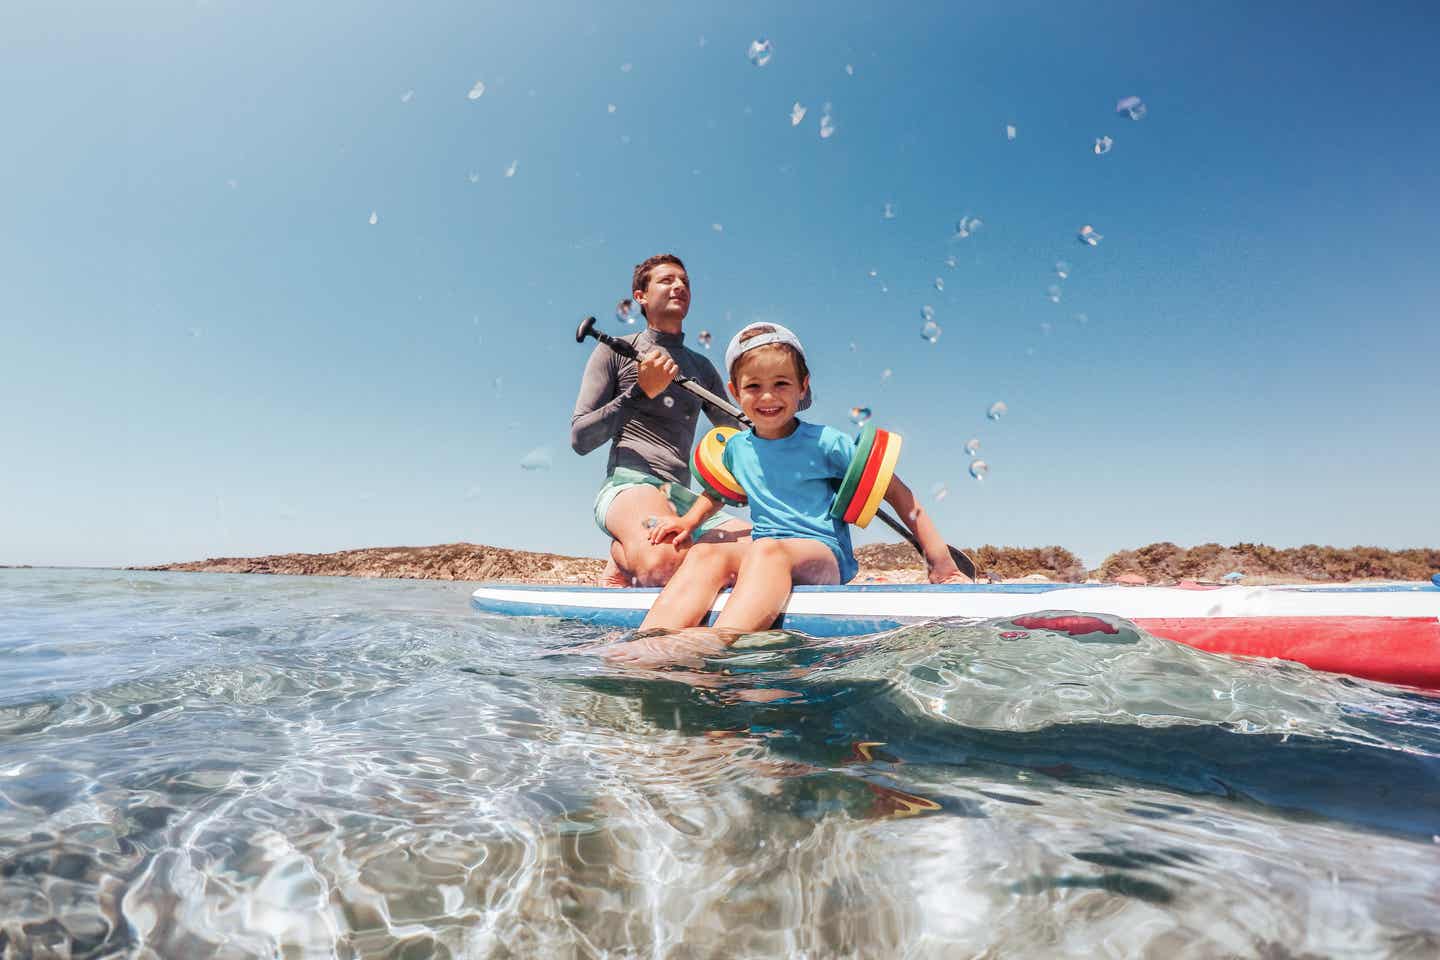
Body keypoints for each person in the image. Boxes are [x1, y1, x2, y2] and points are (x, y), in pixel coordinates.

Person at [640, 322, 969, 632]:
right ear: (735, 392)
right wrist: (689, 523)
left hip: (822, 554)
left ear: (803, 386)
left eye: (781, 383)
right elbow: (717, 492)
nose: (768, 397)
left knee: (767, 550)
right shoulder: (736, 448)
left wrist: (942, 562)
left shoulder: (826, 442)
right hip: (763, 552)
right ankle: (652, 642)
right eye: (754, 386)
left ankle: (718, 641)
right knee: (706, 551)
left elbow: (897, 492)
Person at [571, 254, 751, 587]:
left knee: (766, 554)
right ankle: (626, 554)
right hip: (630, 486)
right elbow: (580, 439)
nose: (679, 286)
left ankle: (659, 554)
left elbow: (739, 436)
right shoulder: (615, 350)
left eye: (685, 281)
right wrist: (641, 391)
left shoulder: (703, 368)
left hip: (686, 500)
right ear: (640, 296)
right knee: (665, 562)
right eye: (666, 280)